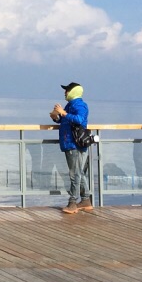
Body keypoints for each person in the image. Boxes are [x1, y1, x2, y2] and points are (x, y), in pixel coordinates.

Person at [50, 82, 92, 214]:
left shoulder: (80, 105)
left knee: (75, 174)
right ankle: (85, 200)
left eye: (67, 90)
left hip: (75, 144)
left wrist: (63, 113)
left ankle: (72, 202)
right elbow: (66, 120)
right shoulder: (70, 105)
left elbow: (79, 119)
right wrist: (55, 117)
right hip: (69, 143)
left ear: (74, 91)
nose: (65, 92)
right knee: (79, 173)